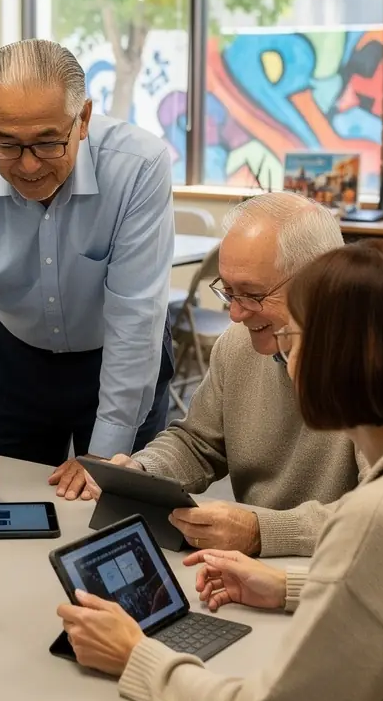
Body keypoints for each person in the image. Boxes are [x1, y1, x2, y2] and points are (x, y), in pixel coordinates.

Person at [58, 239, 383, 701]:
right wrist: (286, 585)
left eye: (291, 332)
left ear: (334, 354)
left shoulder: (381, 515)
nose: (278, 346)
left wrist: (137, 655)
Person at [0, 39, 175, 509]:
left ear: (83, 119)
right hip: (14, 359)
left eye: (49, 142)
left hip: (118, 354)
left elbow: (135, 317)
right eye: (6, 143)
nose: (28, 165)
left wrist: (105, 451)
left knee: (117, 512)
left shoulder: (138, 166)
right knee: (4, 506)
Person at [114, 192, 359, 557]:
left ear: (320, 282)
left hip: (337, 568)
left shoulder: (382, 367)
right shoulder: (238, 346)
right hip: (251, 569)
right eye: (229, 293)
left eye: (252, 295)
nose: (235, 315)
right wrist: (141, 472)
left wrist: (264, 532)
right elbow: (199, 443)